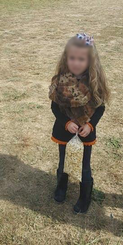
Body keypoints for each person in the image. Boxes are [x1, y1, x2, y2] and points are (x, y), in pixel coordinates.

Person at [48, 33, 110, 214]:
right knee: (63, 162)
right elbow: (55, 107)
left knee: (84, 166)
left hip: (85, 133)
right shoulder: (60, 81)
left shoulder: (94, 83)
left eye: (81, 59)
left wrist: (90, 125)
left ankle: (85, 196)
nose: (76, 62)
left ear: (90, 61)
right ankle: (61, 186)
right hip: (63, 131)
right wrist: (66, 122)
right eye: (72, 58)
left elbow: (100, 108)